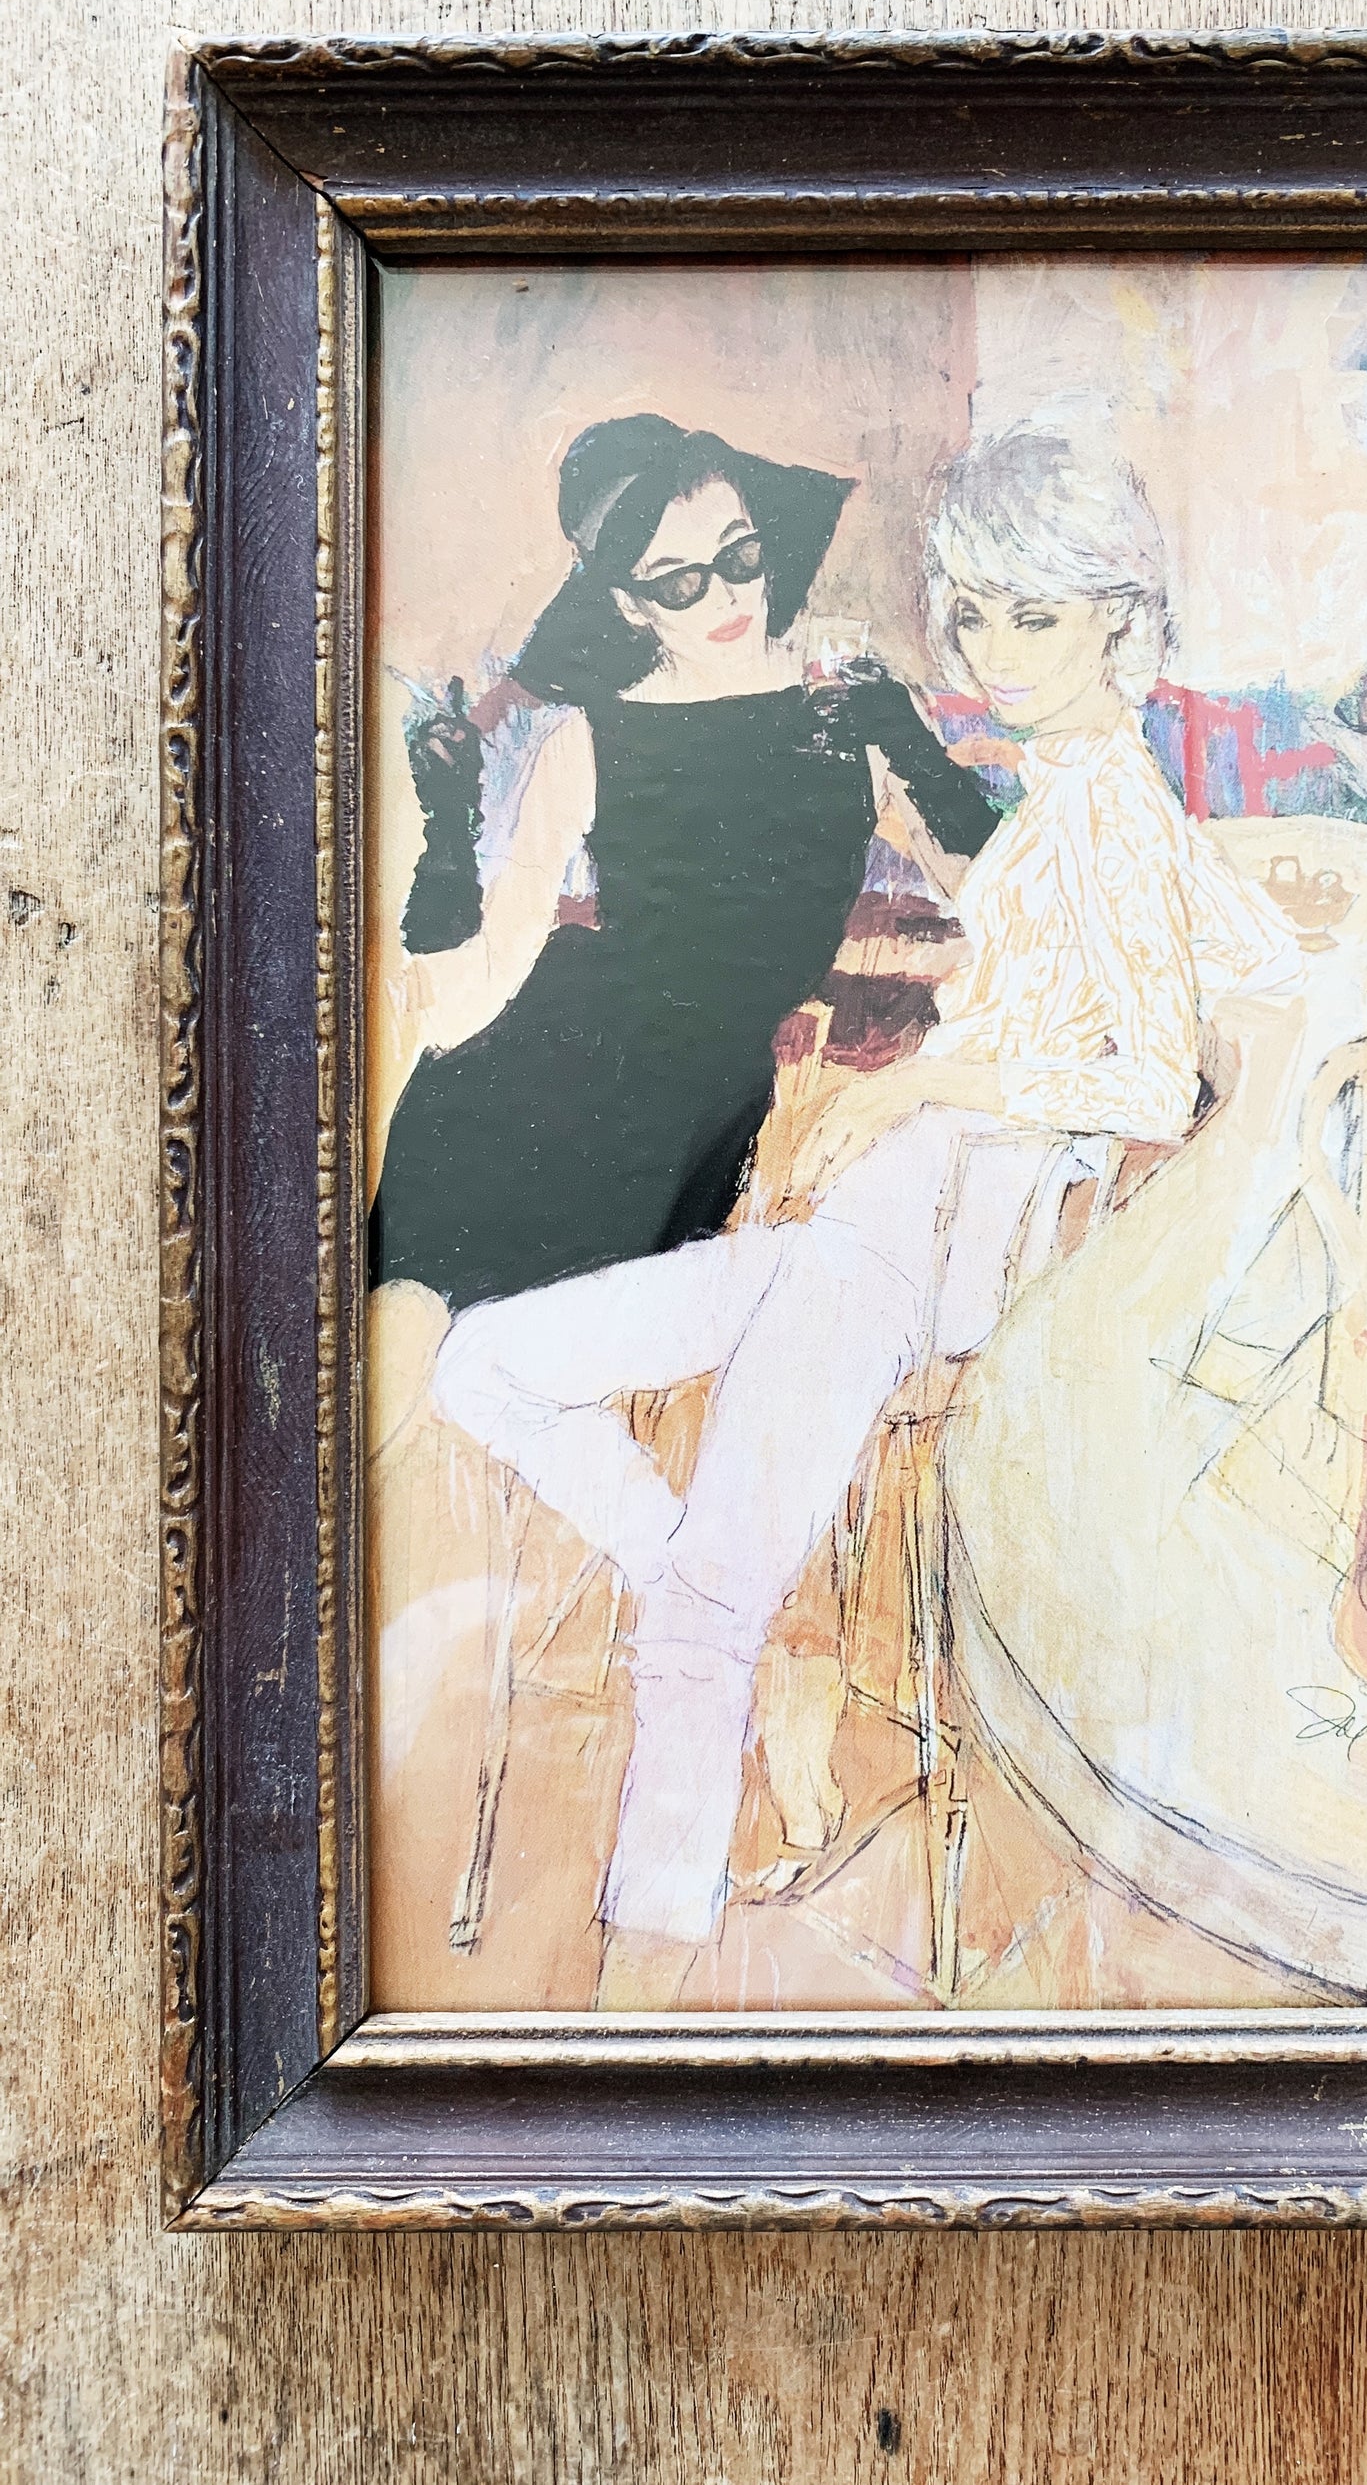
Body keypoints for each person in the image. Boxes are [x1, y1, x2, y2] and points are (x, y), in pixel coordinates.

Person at [431, 425, 1308, 1985]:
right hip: (864, 1228)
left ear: (1120, 617)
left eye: (1032, 613)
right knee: (479, 1364)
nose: (992, 648)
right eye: (972, 611)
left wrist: (919, 1084)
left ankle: (643, 1969)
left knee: (701, 1610)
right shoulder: (1083, 793)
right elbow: (1240, 952)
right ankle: (704, 1586)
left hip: (920, 1242)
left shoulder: (1107, 806)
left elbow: (1149, 1077)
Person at [369, 411, 1003, 1307]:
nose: (726, 599)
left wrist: (916, 753)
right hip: (534, 1080)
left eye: (740, 557)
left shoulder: (853, 712)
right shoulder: (584, 739)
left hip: (694, 1114)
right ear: (629, 603)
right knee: (410, 1321)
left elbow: (1006, 898)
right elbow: (472, 998)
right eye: (679, 582)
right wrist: (447, 825)